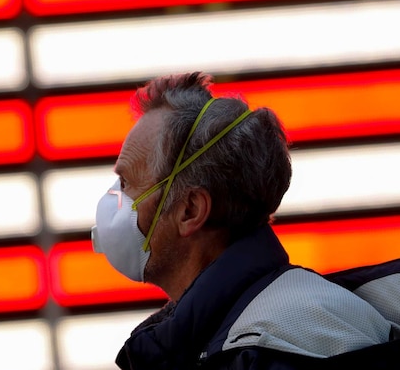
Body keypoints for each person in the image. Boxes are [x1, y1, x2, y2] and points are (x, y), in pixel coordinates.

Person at [91, 72, 400, 370]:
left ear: (190, 211)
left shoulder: (272, 346)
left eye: (126, 183)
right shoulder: (226, 340)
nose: (115, 198)